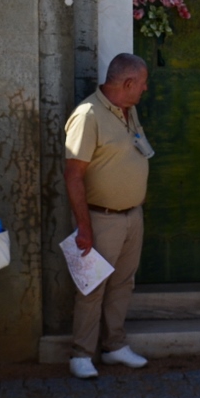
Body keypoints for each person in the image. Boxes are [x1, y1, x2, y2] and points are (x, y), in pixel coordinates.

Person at [61, 53, 154, 380]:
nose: (145, 89)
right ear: (127, 84)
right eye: (141, 84)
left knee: (122, 284)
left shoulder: (128, 110)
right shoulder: (88, 115)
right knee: (92, 287)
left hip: (131, 216)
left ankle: (114, 345)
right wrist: (84, 227)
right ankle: (81, 353)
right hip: (101, 219)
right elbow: (73, 175)